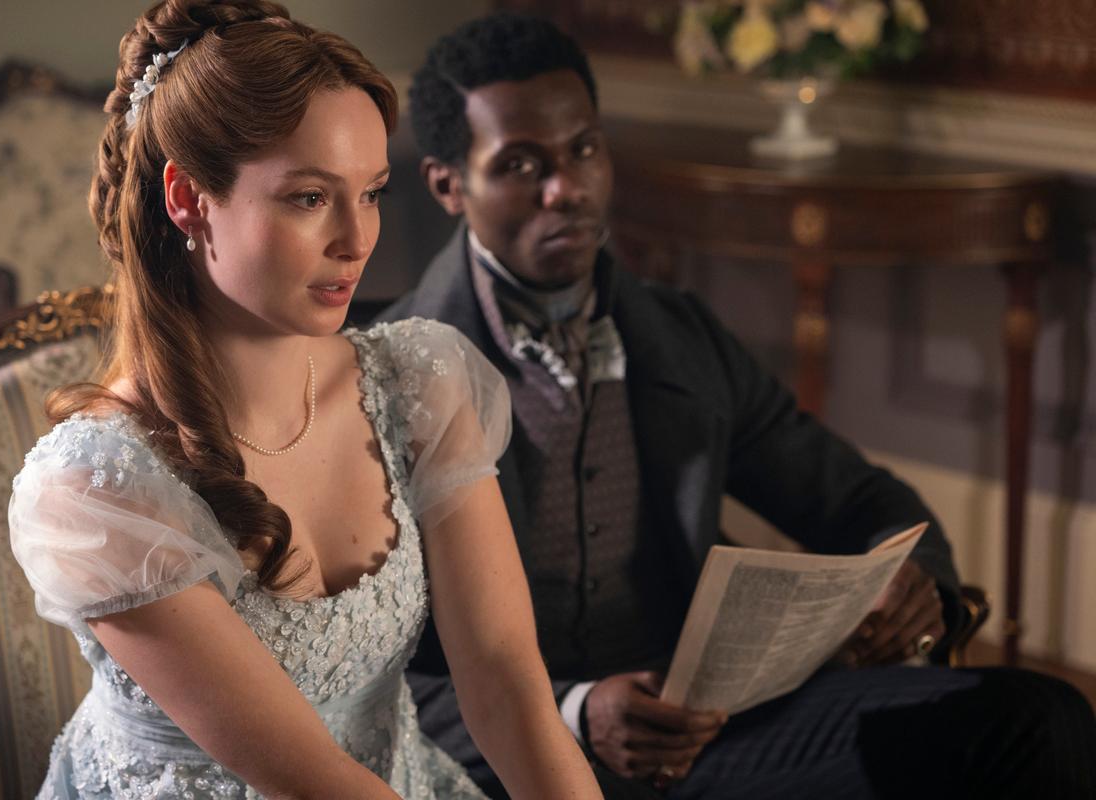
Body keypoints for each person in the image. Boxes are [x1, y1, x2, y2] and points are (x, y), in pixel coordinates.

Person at [381, 11, 1096, 800]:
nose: (568, 190)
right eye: (521, 164)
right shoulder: (387, 376)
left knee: (1040, 721)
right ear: (448, 184)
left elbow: (862, 502)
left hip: (710, 737)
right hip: (515, 762)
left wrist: (909, 585)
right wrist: (576, 713)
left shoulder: (679, 334)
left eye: (584, 149)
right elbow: (365, 685)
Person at [7, 2, 603, 798]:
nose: (357, 241)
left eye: (372, 192)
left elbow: (506, 685)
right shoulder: (97, 490)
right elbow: (317, 784)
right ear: (188, 198)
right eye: (309, 198)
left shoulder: (417, 382)